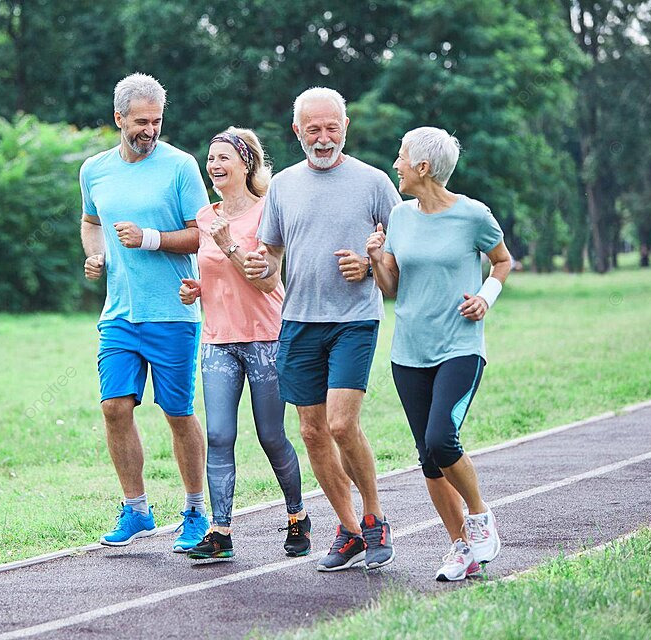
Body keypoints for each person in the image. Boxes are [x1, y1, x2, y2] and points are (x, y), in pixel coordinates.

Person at [243, 88, 401, 572]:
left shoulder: (374, 182)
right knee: (312, 432)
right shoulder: (284, 187)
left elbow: (403, 248)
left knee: (340, 424)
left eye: (332, 127)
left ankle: (375, 519)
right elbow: (270, 255)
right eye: (313, 129)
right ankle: (350, 530)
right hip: (298, 321)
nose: (324, 137)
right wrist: (259, 267)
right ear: (297, 132)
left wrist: (371, 264)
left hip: (354, 319)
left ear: (346, 127)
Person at [366, 126, 512, 581]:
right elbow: (391, 289)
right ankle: (460, 548)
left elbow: (503, 260)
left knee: (441, 439)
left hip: (460, 347)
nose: (397, 164)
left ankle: (480, 516)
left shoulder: (473, 215)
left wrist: (486, 296)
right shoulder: (399, 217)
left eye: (402, 157)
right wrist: (375, 259)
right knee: (428, 458)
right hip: (409, 351)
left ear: (423, 167)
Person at [80, 73, 210, 553]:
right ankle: (136, 509)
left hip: (173, 313)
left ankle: (196, 510)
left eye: (156, 121)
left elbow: (202, 233)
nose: (149, 130)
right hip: (119, 314)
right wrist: (95, 254)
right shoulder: (94, 169)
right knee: (115, 408)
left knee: (178, 413)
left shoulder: (180, 166)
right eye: (140, 121)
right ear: (118, 118)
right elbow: (91, 221)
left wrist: (150, 238)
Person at [178, 127, 309, 563]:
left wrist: (228, 244)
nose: (214, 166)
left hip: (266, 338)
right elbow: (219, 273)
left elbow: (268, 279)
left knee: (272, 435)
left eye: (223, 159)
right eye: (210, 158)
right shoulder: (204, 215)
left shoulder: (267, 212)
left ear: (246, 164)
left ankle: (297, 516)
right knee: (218, 435)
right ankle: (220, 531)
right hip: (218, 341)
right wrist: (198, 288)